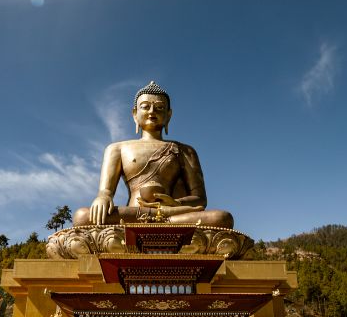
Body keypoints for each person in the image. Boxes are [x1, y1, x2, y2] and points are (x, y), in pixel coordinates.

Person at [73, 82, 233, 227]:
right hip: (135, 214)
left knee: (221, 218)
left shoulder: (185, 151)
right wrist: (102, 198)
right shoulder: (117, 149)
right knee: (82, 217)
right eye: (145, 106)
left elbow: (200, 199)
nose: (152, 112)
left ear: (168, 115)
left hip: (172, 213)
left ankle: (164, 222)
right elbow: (105, 191)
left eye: (159, 107)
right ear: (135, 114)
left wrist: (174, 203)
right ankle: (165, 225)